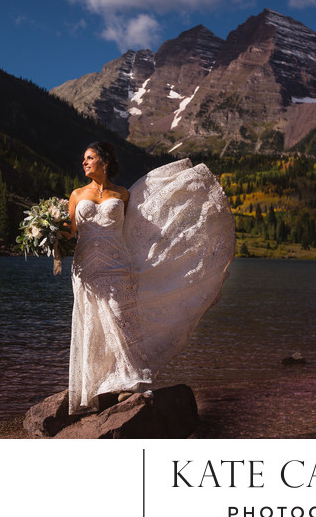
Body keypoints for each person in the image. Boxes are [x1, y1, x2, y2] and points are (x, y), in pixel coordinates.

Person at [63, 141, 235, 415]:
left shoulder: (123, 194)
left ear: (104, 162)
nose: (84, 162)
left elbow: (140, 226)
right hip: (87, 267)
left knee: (123, 319)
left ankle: (132, 380)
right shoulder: (76, 194)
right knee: (93, 321)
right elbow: (69, 232)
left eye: (90, 157)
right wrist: (47, 230)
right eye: (84, 158)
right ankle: (96, 385)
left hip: (118, 265)